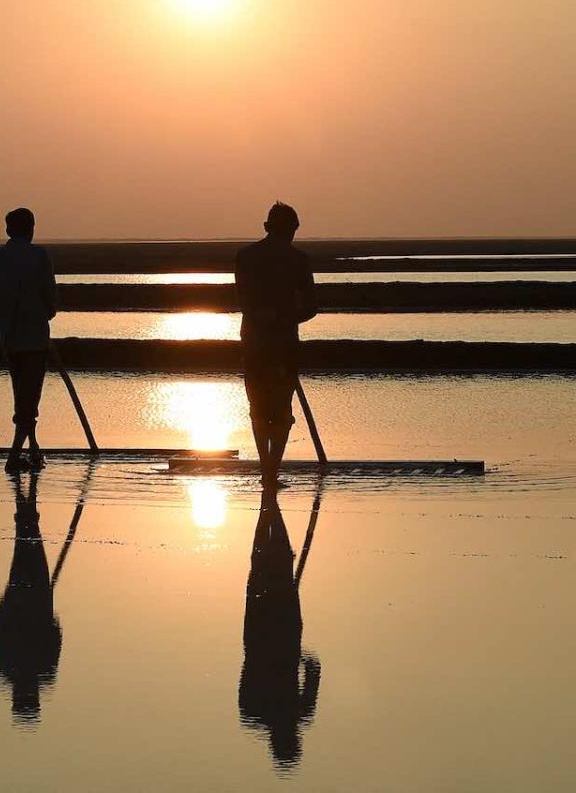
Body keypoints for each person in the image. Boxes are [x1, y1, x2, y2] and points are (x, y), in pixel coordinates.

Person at [235, 202, 316, 486]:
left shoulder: (246, 257)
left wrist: (276, 316)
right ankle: (271, 471)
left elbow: (243, 301)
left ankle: (268, 471)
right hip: (275, 345)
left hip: (261, 344)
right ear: (290, 229)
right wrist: (284, 316)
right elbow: (311, 307)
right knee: (278, 409)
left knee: (261, 407)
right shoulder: (297, 260)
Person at [239, 488, 320, 768]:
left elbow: (313, 668)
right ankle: (270, 502)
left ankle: (270, 501)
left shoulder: (254, 713)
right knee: (272, 560)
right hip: (270, 633)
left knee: (271, 560)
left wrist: (295, 653)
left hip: (269, 634)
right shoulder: (255, 713)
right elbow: (313, 669)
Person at [0, 207, 58, 474]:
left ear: (8, 230)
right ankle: (15, 455)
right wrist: (44, 315)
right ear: (31, 229)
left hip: (9, 338)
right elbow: (50, 299)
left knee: (23, 396)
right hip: (34, 339)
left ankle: (33, 450)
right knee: (29, 400)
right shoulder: (40, 257)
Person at [0, 469, 62, 723]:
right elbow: (55, 636)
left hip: (26, 601)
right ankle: (26, 497)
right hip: (33, 603)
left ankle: (25, 497)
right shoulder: (42, 671)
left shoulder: (5, 670)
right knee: (29, 544)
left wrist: (6, 605)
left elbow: (2, 630)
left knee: (26, 545)